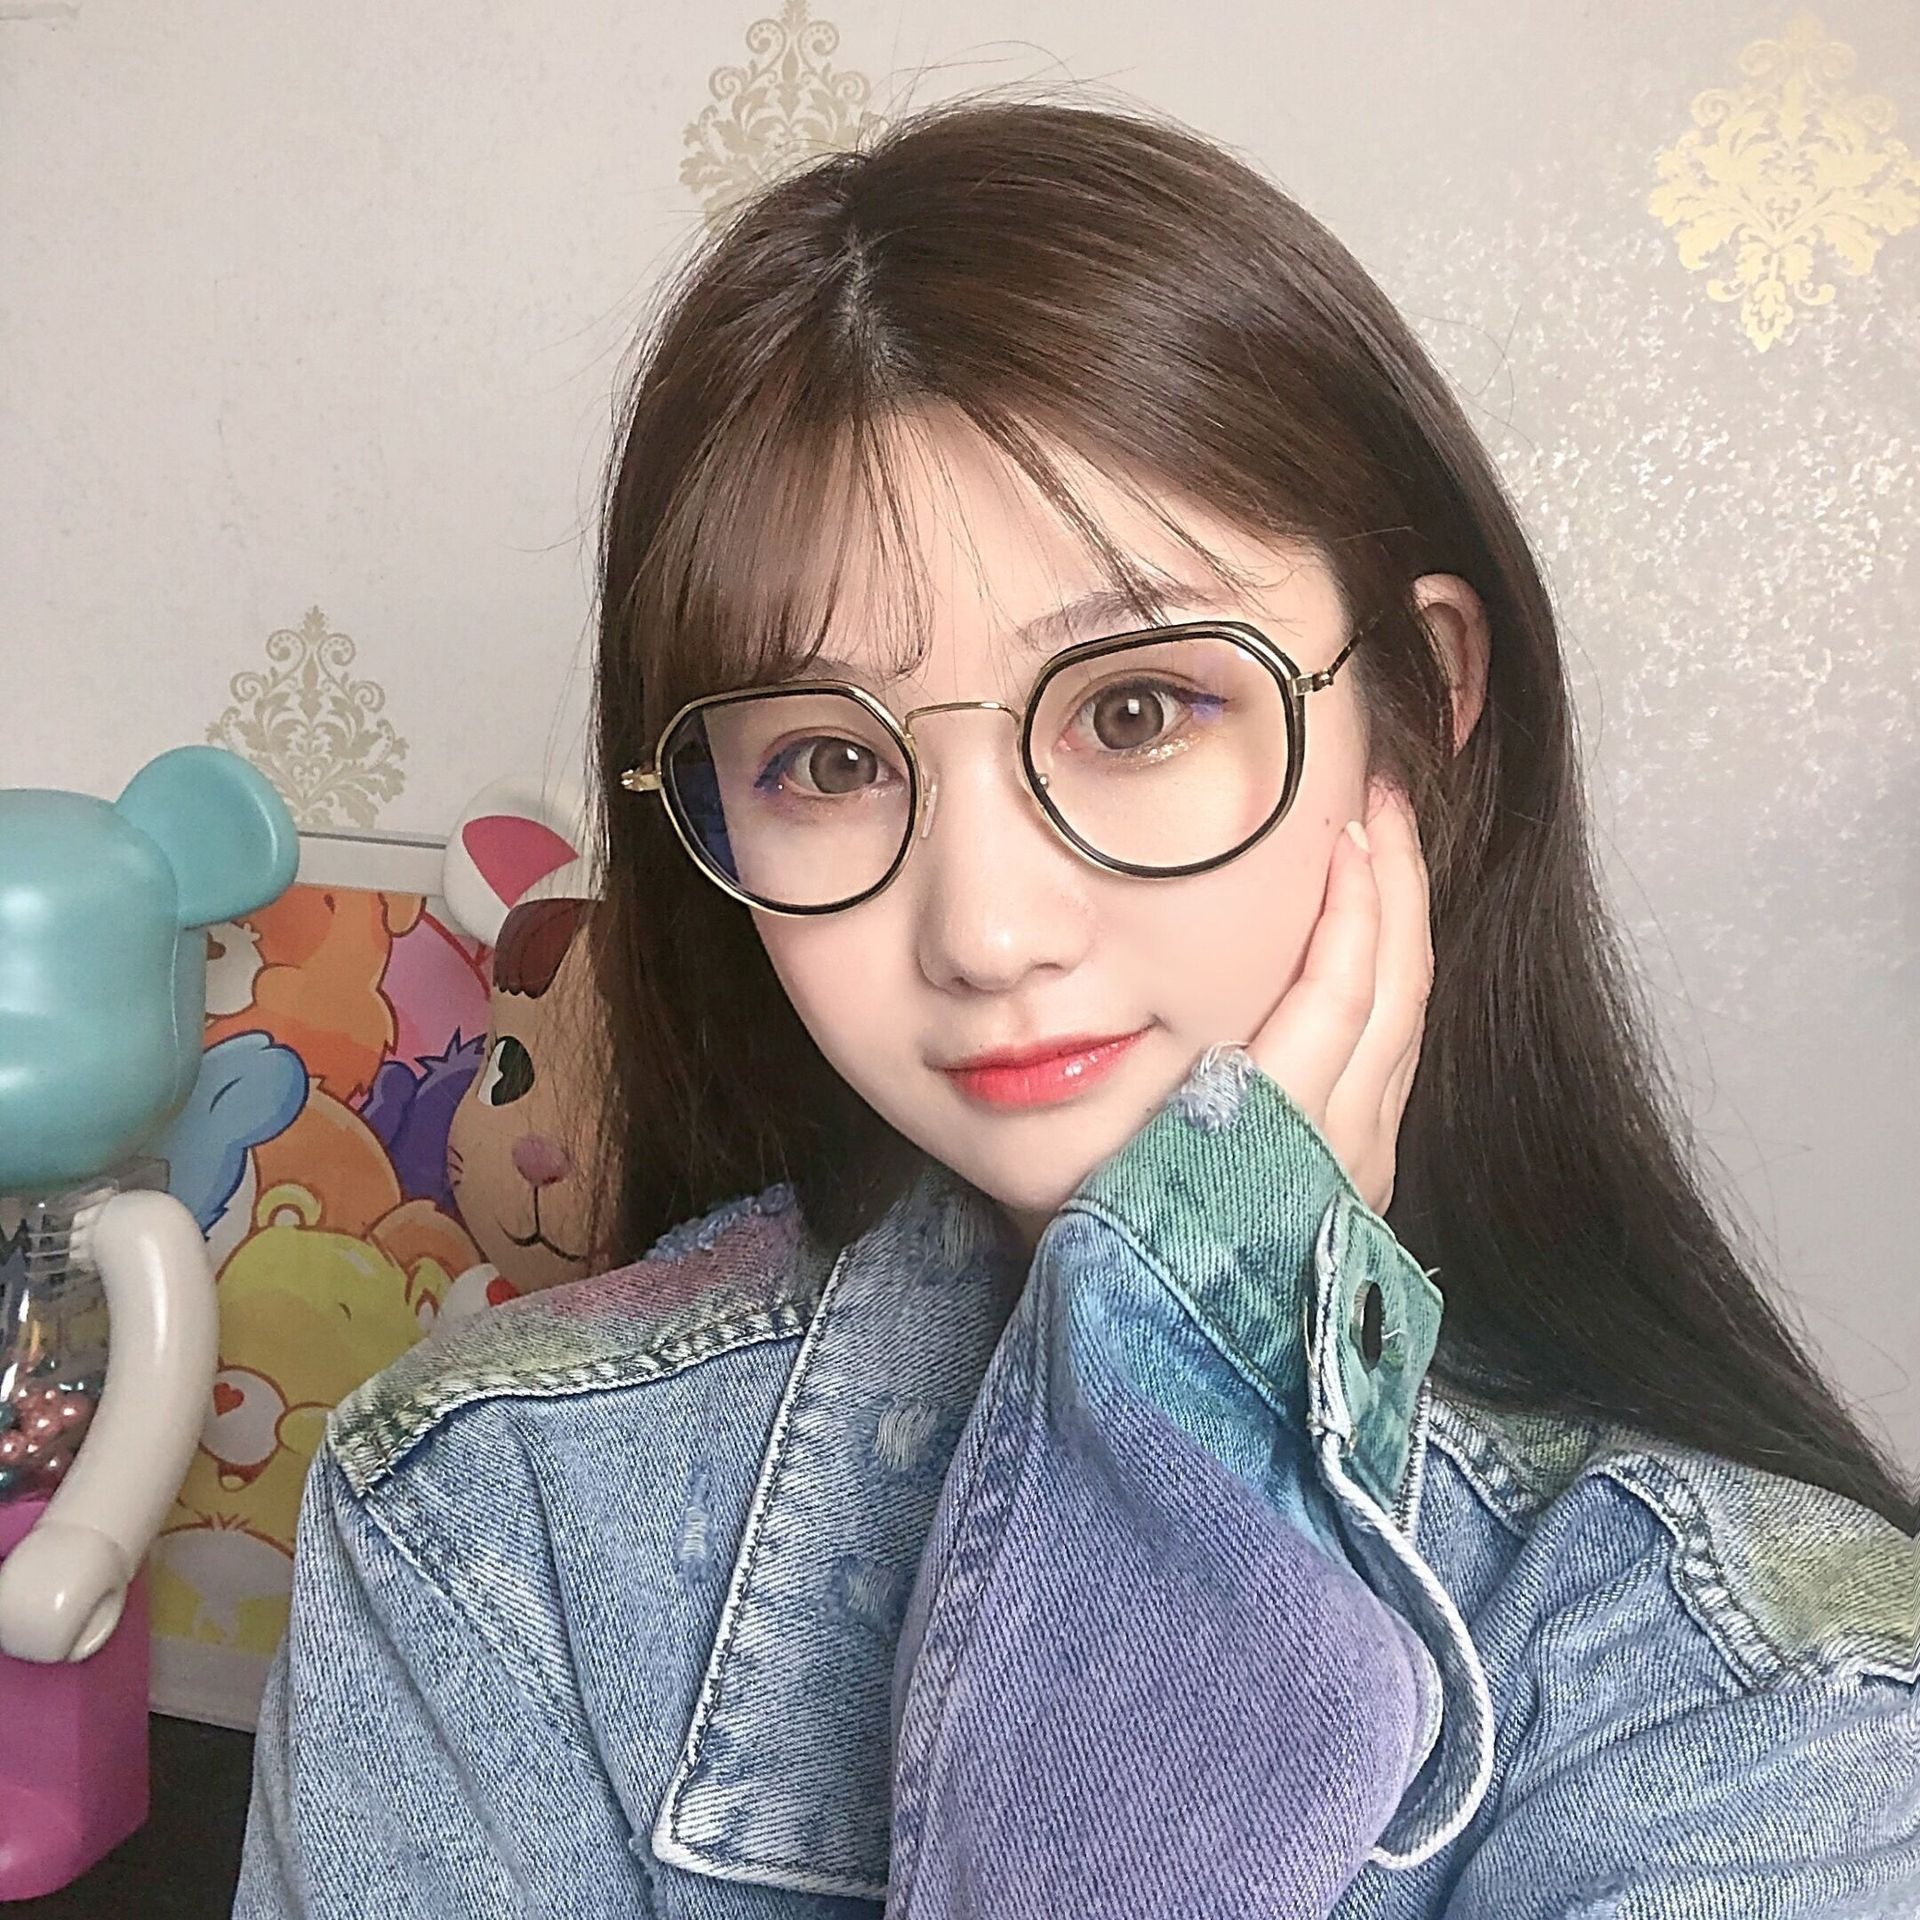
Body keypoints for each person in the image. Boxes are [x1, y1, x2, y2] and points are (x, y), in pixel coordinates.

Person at [232, 94, 1920, 1918]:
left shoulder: (1776, 1712)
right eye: (825, 760)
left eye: (1133, 711)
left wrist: (1187, 1477)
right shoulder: (492, 1524)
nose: (985, 929)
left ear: (1423, 698)